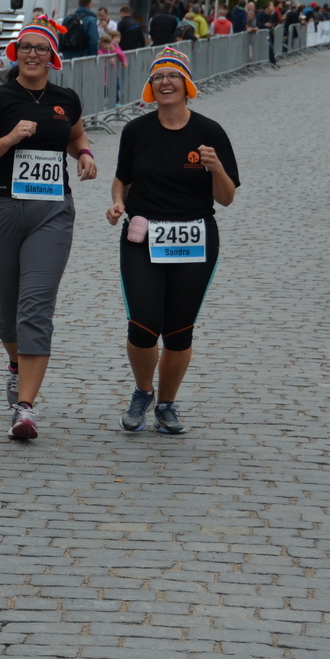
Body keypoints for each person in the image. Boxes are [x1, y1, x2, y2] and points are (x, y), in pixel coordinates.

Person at [0, 20, 96, 440]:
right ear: (15, 54)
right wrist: (9, 139)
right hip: (1, 208)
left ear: (53, 57)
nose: (33, 54)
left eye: (41, 48)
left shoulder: (65, 99)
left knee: (35, 308)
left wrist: (85, 153)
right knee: (8, 315)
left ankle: (25, 408)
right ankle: (16, 365)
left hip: (51, 211)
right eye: (25, 48)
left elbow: (74, 133)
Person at [107, 48, 239, 436]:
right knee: (142, 324)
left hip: (195, 238)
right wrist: (117, 202)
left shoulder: (209, 132)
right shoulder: (136, 131)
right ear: (151, 87)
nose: (165, 82)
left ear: (186, 85)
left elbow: (227, 197)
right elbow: (122, 180)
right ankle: (142, 392)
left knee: (179, 330)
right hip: (143, 236)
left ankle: (166, 404)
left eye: (173, 76)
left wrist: (216, 168)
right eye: (158, 77)